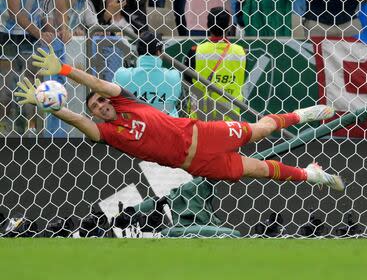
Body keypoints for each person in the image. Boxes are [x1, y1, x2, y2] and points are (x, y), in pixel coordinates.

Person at [16, 47, 345, 189]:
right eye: (96, 108)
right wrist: (49, 106)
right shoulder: (109, 133)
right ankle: (309, 174)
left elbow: (98, 83)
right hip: (196, 164)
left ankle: (302, 114)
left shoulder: (127, 101)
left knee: (259, 131)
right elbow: (78, 122)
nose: (101, 105)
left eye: (102, 102)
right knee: (258, 170)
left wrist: (63, 70)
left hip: (204, 134)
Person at [186, 8, 247, 121]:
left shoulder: (195, 51)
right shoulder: (240, 52)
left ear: (207, 25)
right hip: (229, 115)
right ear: (228, 27)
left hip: (201, 114)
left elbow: (187, 80)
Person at [113, 31, 183, 117]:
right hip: (167, 127)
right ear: (158, 52)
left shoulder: (121, 75)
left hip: (133, 128)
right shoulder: (173, 76)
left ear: (138, 52)